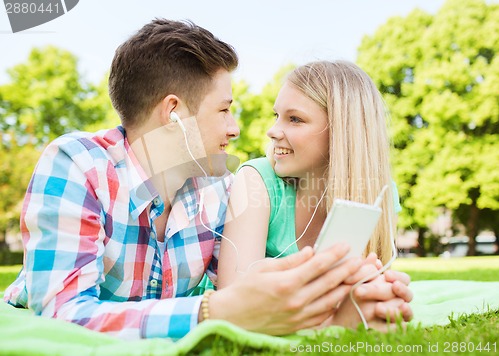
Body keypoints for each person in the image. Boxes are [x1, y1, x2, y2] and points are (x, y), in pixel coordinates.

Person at [4, 20, 412, 339]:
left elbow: (248, 297)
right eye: (224, 110)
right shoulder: (77, 164)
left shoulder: (215, 190)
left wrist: (336, 303)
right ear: (174, 114)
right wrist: (210, 312)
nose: (236, 129)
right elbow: (63, 316)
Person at [218, 60, 412, 329]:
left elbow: (367, 287)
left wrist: (383, 294)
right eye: (277, 116)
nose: (272, 131)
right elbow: (232, 303)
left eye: (294, 119)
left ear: (341, 132)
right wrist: (334, 323)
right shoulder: (255, 180)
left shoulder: (380, 191)